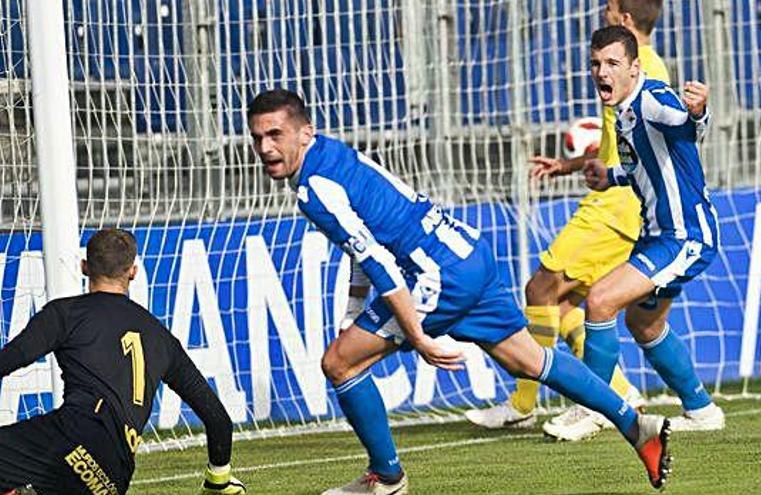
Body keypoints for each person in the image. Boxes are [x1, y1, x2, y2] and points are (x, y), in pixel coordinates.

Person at [248, 89, 674, 493]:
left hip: (437, 275)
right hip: (467, 251)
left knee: (339, 363)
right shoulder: (332, 154)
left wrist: (417, 336)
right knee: (528, 360)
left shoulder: (313, 189)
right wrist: (353, 314)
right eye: (258, 137)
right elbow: (363, 247)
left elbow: (377, 261)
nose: (265, 147)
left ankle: (386, 477)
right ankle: (636, 426)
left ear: (305, 132)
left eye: (275, 135)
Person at [465, 0, 708, 443]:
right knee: (565, 307)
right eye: (597, 63)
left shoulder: (645, 72)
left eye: (610, 7)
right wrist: (574, 165)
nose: (601, 11)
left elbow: (676, 133)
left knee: (546, 291)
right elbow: (627, 149)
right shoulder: (630, 71)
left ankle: (542, 402)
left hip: (616, 209)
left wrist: (697, 115)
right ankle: (620, 391)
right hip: (617, 193)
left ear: (626, 23)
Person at [532, 25, 724, 435]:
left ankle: (597, 407)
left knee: (599, 300)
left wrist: (699, 111)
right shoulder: (624, 111)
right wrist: (611, 178)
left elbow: (687, 129)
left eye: (612, 63)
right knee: (645, 324)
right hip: (658, 235)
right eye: (596, 64)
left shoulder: (652, 97)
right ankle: (702, 411)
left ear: (634, 68)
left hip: (686, 236)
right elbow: (642, 165)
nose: (602, 72)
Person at [0, 229, 245, 495]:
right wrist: (218, 479)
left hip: (72, 436)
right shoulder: (161, 337)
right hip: (113, 475)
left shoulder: (65, 314)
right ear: (133, 272)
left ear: (84, 267)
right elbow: (217, 418)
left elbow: (10, 359)